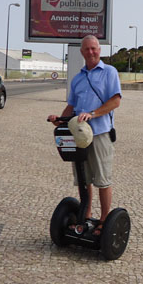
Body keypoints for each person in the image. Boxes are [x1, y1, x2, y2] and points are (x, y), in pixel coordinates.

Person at [47, 35, 121, 236]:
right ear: (82, 52)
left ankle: (104, 221)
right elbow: (71, 105)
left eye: (94, 48)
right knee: (83, 178)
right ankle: (85, 216)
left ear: (99, 50)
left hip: (99, 133)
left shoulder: (109, 72)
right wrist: (60, 120)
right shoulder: (78, 78)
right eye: (87, 49)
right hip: (78, 136)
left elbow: (115, 101)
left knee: (103, 179)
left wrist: (93, 114)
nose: (91, 52)